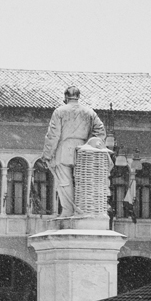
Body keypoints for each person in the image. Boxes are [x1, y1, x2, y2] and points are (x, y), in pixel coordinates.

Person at [41, 86, 107, 217]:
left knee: (64, 182)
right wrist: (92, 144)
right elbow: (100, 131)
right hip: (84, 150)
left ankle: (68, 210)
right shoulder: (89, 112)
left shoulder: (59, 112)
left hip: (64, 150)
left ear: (66, 97)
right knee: (83, 180)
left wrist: (47, 154)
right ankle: (83, 209)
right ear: (78, 97)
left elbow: (53, 135)